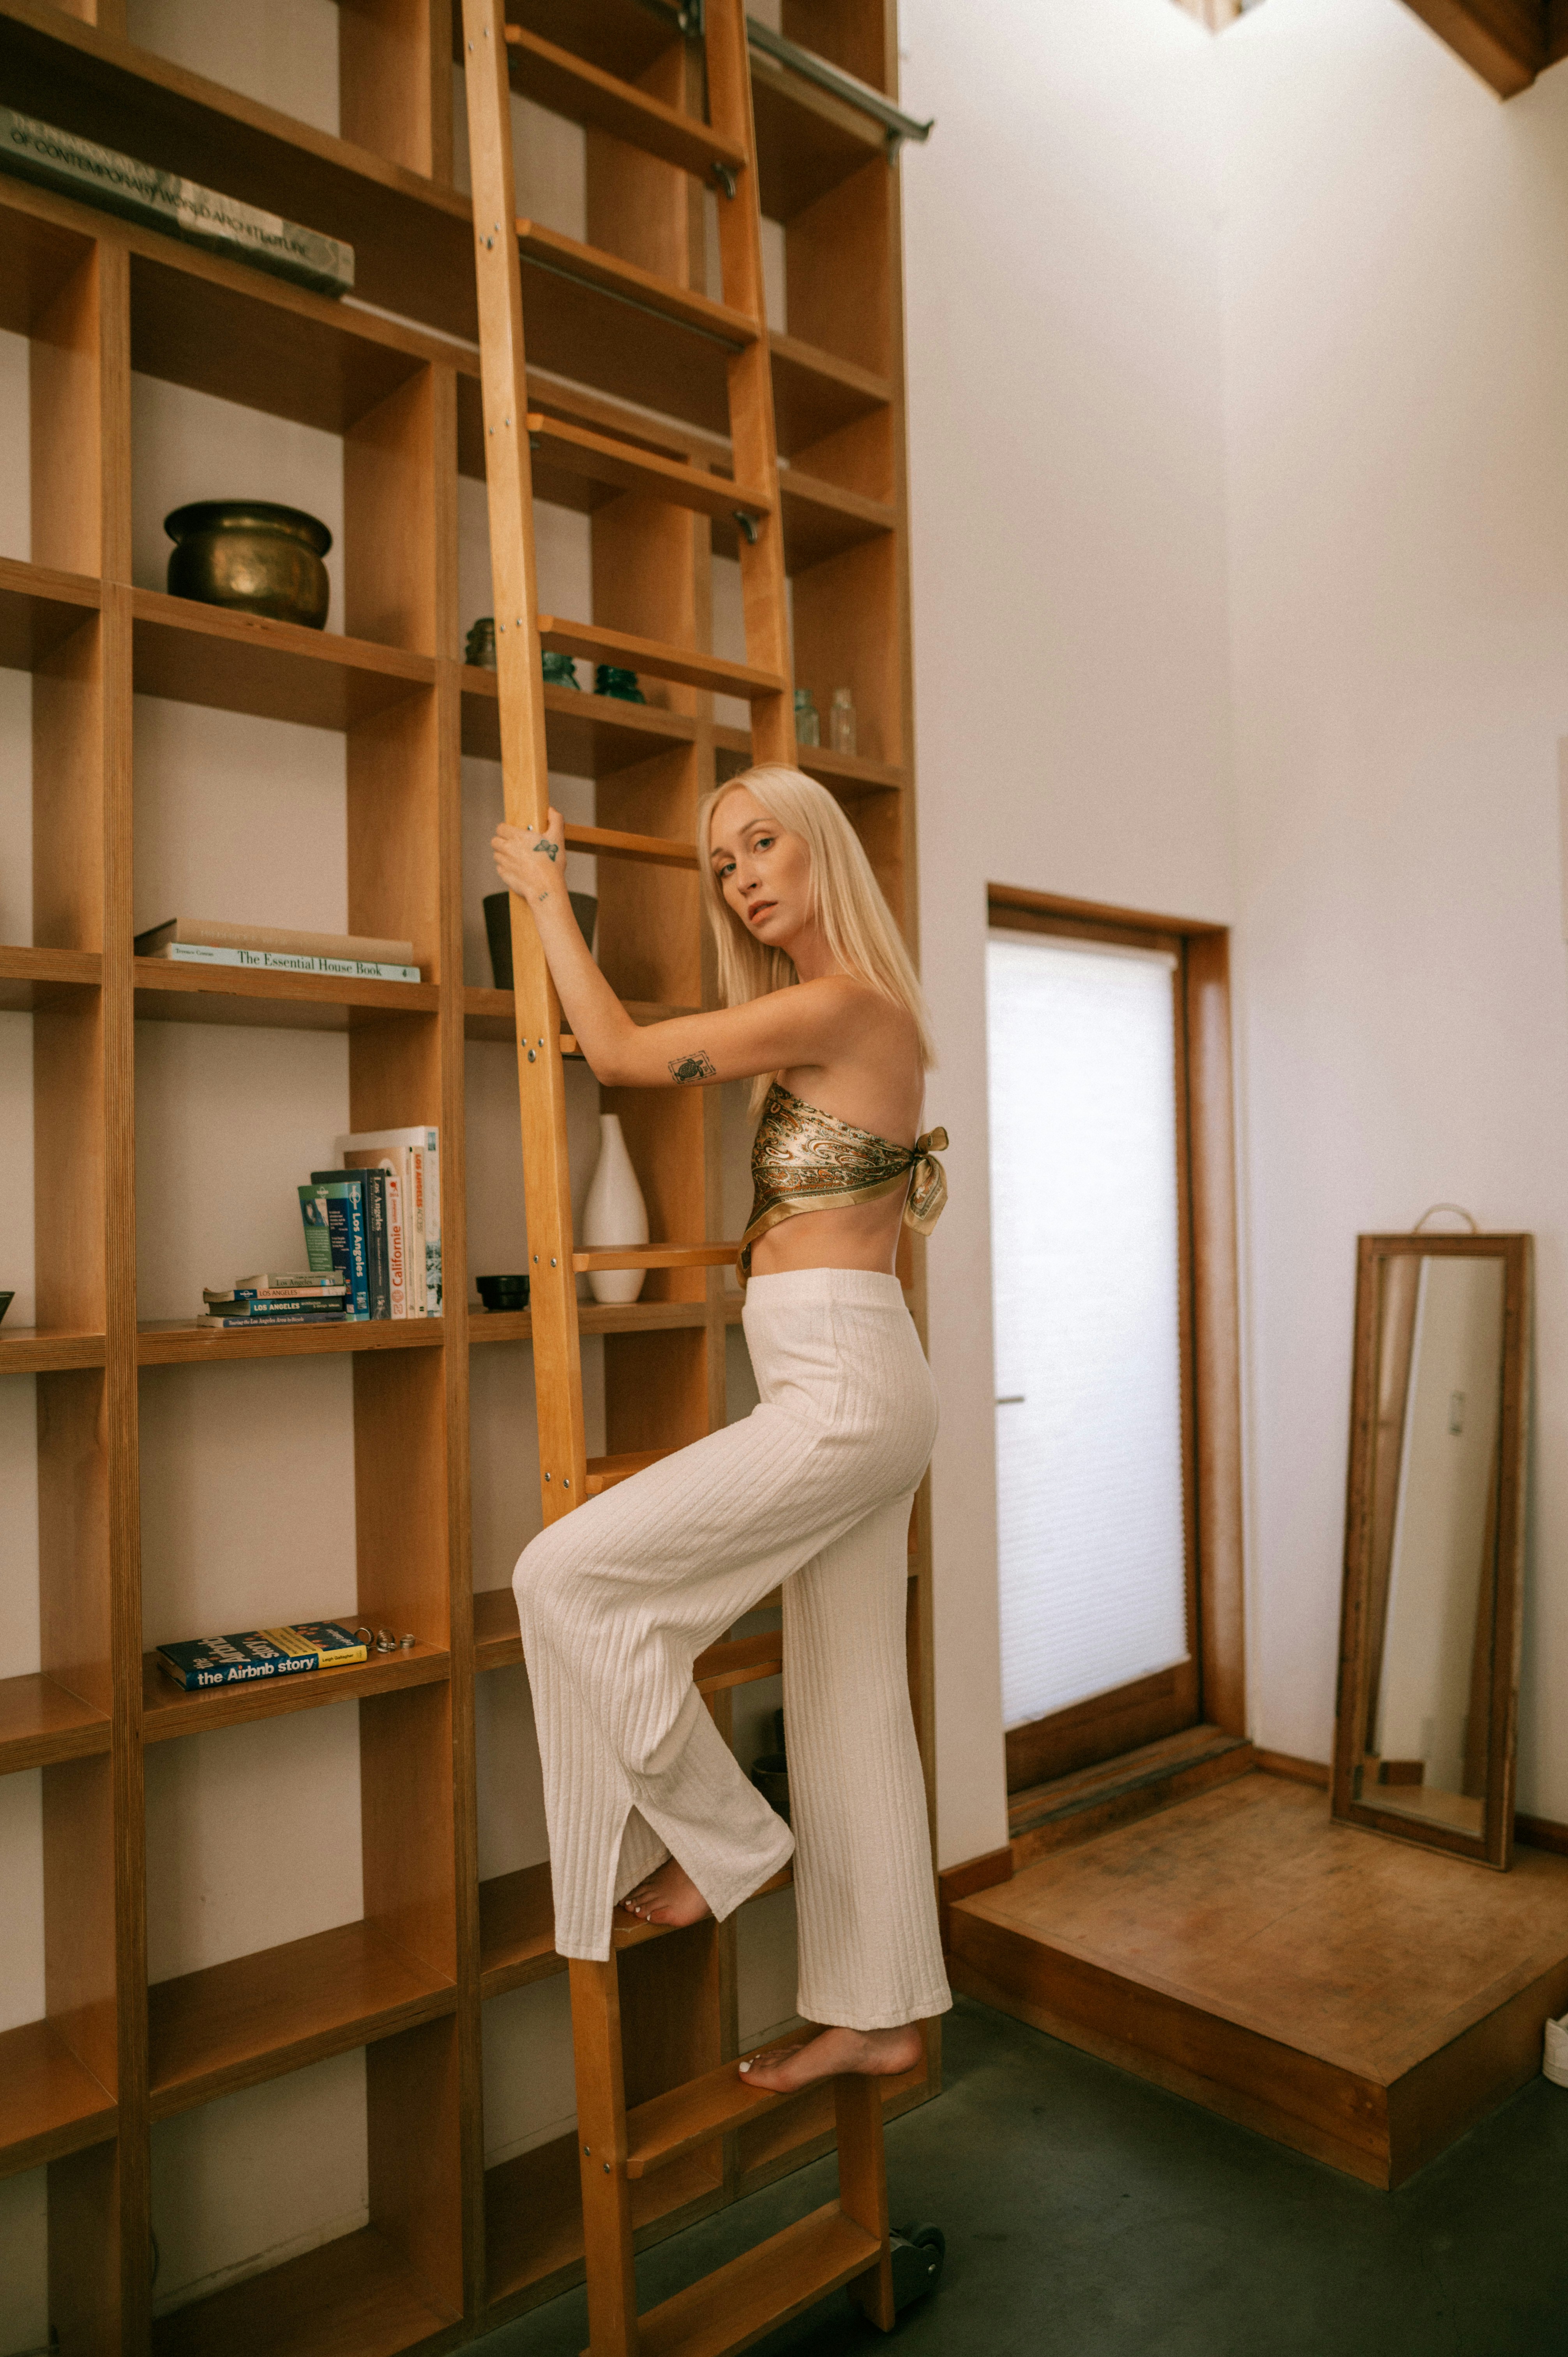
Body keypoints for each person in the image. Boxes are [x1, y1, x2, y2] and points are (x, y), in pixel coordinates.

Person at [491, 763, 950, 2094]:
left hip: (845, 1384)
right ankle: (880, 2011)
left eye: (764, 845)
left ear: (823, 854)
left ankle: (720, 1841)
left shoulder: (843, 1003)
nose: (745, 875)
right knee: (852, 1700)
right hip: (856, 1367)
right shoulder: (847, 1013)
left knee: (561, 1574)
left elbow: (626, 1058)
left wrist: (543, 898)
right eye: (723, 863)